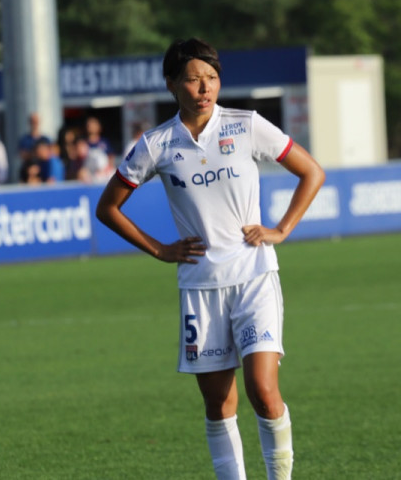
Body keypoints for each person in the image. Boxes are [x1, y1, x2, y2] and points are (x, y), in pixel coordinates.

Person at [95, 38, 324, 480]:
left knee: (263, 390)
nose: (205, 88)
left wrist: (281, 230)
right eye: (193, 79)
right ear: (171, 84)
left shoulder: (246, 125)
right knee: (219, 404)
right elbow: (108, 208)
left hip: (254, 275)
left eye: (212, 78)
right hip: (200, 287)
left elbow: (311, 171)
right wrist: (160, 249)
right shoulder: (156, 144)